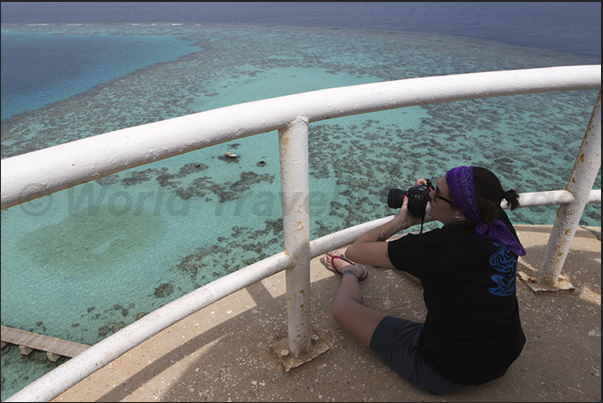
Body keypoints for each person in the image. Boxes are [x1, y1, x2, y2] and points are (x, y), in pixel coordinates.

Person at [324, 165, 526, 394]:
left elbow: (356, 250)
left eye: (436, 193)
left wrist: (401, 222)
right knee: (442, 275)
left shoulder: (436, 249)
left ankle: (351, 273)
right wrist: (436, 194)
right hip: (504, 354)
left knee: (343, 309)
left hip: (442, 371)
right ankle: (395, 262)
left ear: (460, 212)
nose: (429, 194)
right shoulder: (496, 220)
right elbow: (453, 262)